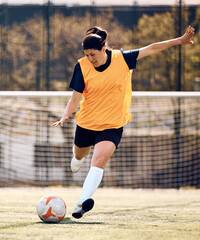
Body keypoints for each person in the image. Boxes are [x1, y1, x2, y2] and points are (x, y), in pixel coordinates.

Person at [52, 25, 195, 219]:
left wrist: (180, 40)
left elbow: (151, 48)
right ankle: (77, 158)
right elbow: (75, 98)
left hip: (112, 125)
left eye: (93, 54)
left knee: (99, 161)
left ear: (104, 49)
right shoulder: (82, 67)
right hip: (87, 124)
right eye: (87, 55)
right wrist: (65, 115)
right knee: (78, 159)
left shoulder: (122, 59)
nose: (90, 59)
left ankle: (80, 204)